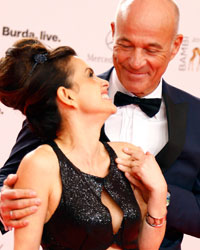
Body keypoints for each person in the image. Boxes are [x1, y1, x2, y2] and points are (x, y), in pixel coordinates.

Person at [0, 0, 200, 249]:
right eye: (126, 45)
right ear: (113, 32)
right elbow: (10, 177)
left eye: (151, 50)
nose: (136, 62)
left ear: (176, 46)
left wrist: (160, 194)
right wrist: (4, 201)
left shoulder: (196, 117)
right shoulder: (58, 99)